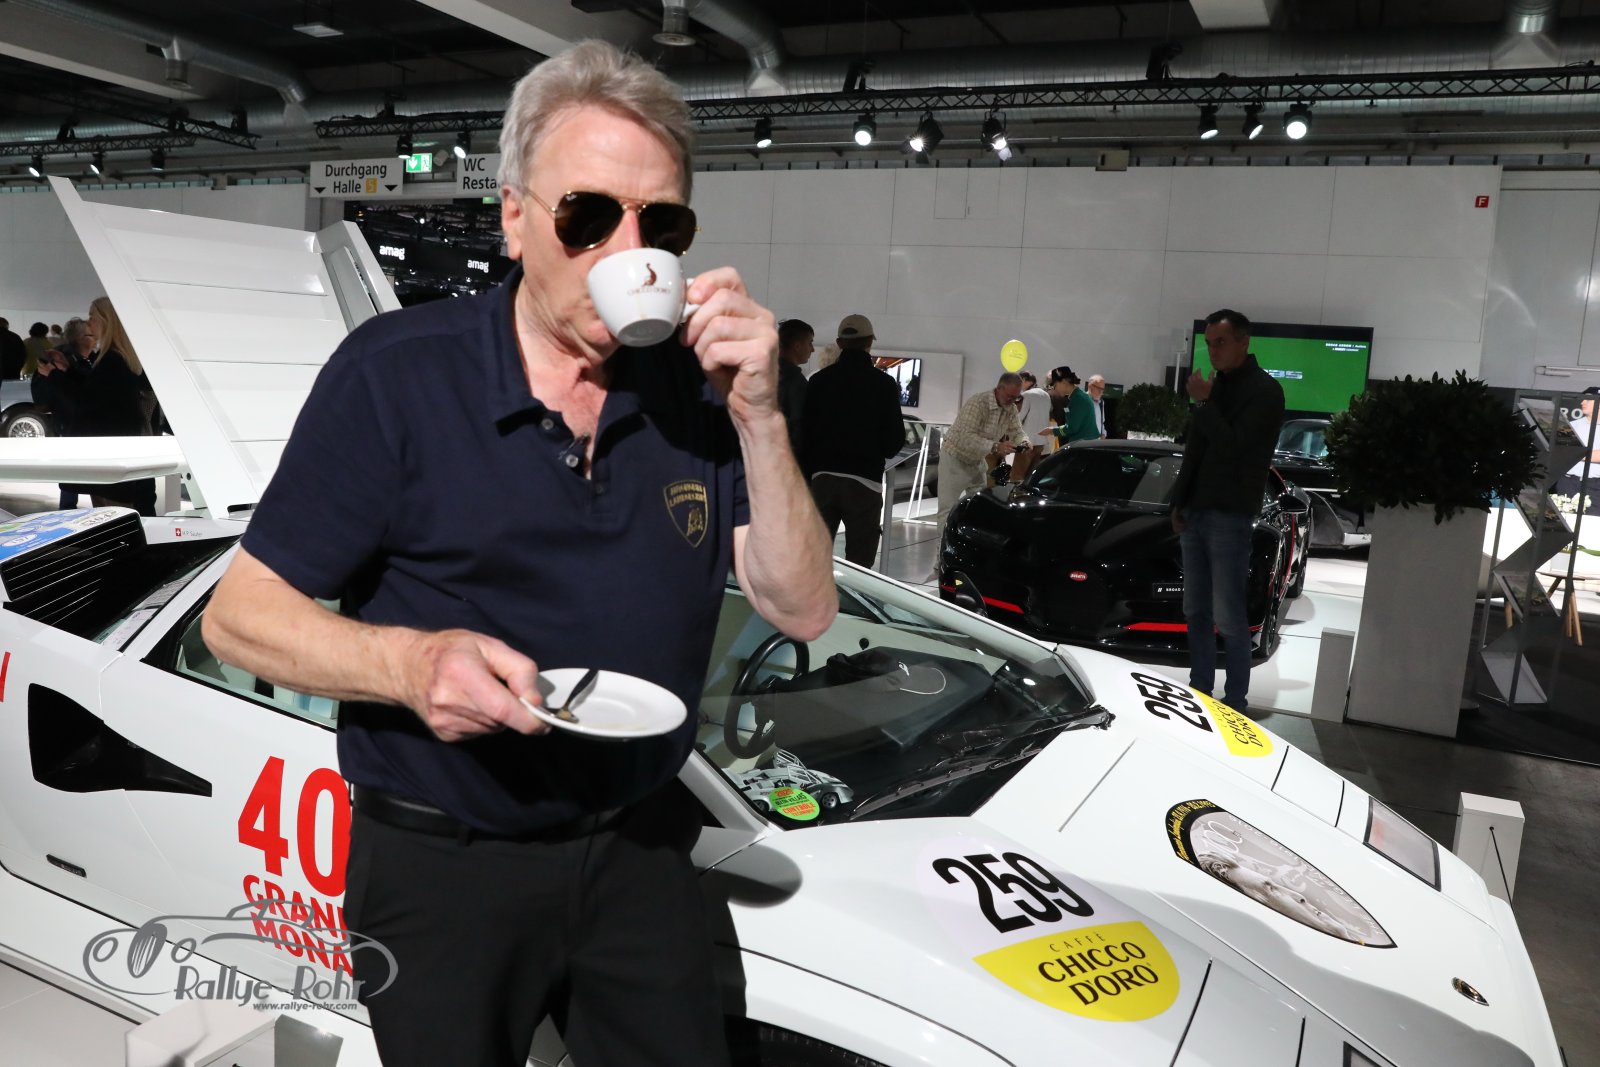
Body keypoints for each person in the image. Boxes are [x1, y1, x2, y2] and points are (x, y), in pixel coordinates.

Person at [201, 41, 835, 1067]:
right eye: (588, 216)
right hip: (444, 860)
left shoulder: (696, 392)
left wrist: (760, 419)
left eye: (661, 226)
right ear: (513, 217)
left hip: (638, 841)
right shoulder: (399, 378)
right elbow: (237, 616)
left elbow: (802, 608)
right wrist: (407, 664)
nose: (627, 251)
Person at [1170, 309, 1285, 716]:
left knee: (1230, 615)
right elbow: (1195, 451)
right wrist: (1179, 501)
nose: (1213, 350)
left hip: (1231, 514)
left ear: (1243, 342)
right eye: (1208, 344)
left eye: (1220, 342)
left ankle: (1235, 701)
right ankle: (1200, 688)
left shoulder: (1266, 392)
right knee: (1195, 610)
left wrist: (1205, 402)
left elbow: (1236, 449)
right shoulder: (1218, 386)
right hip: (1197, 511)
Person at [32, 297, 158, 515]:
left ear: (106, 321)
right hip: (116, 450)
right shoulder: (118, 357)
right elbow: (96, 393)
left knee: (114, 516)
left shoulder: (113, 360)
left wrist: (54, 375)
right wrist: (67, 370)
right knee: (115, 513)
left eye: (92, 317)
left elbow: (87, 402)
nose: (88, 323)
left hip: (110, 453)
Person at [800, 313, 904, 567]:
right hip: (864, 482)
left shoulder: (818, 381)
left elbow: (804, 434)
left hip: (822, 480)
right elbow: (893, 441)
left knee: (813, 560)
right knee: (859, 562)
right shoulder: (884, 384)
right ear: (869, 342)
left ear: (839, 343)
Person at [937, 372, 1024, 532]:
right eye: (1010, 396)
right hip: (955, 458)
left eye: (1016, 397)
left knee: (980, 505)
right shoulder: (978, 403)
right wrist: (996, 446)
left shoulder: (1010, 409)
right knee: (947, 509)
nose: (1012, 401)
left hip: (977, 461)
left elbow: (1017, 431)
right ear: (999, 388)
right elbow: (966, 437)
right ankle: (943, 546)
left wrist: (1024, 442)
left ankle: (972, 541)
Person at [35, 318, 95, 509]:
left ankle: (71, 508)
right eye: (90, 335)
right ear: (79, 338)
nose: (95, 338)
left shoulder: (85, 358)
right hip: (71, 422)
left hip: (72, 421)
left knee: (77, 470)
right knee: (74, 470)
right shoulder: (65, 359)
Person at [776, 317, 813, 462]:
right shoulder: (796, 383)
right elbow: (798, 427)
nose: (812, 349)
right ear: (797, 346)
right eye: (810, 343)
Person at [1040, 366, 1098, 445]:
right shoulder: (1078, 396)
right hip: (1084, 444)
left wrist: (1051, 431)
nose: (1054, 389)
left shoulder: (1078, 399)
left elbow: (1072, 428)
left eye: (1054, 385)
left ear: (1064, 381)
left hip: (1083, 446)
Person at [1012, 371, 1051, 482]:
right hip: (1041, 442)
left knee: (1017, 477)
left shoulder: (1026, 395)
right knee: (1030, 478)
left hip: (1026, 443)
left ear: (1024, 380)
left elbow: (1018, 418)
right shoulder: (1046, 395)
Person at [1085, 373, 1109, 438]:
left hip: (1096, 442)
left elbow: (1101, 422)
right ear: (1090, 386)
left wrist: (1103, 434)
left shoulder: (1101, 402)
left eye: (1102, 389)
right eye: (1098, 388)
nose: (1101, 392)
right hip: (1083, 441)